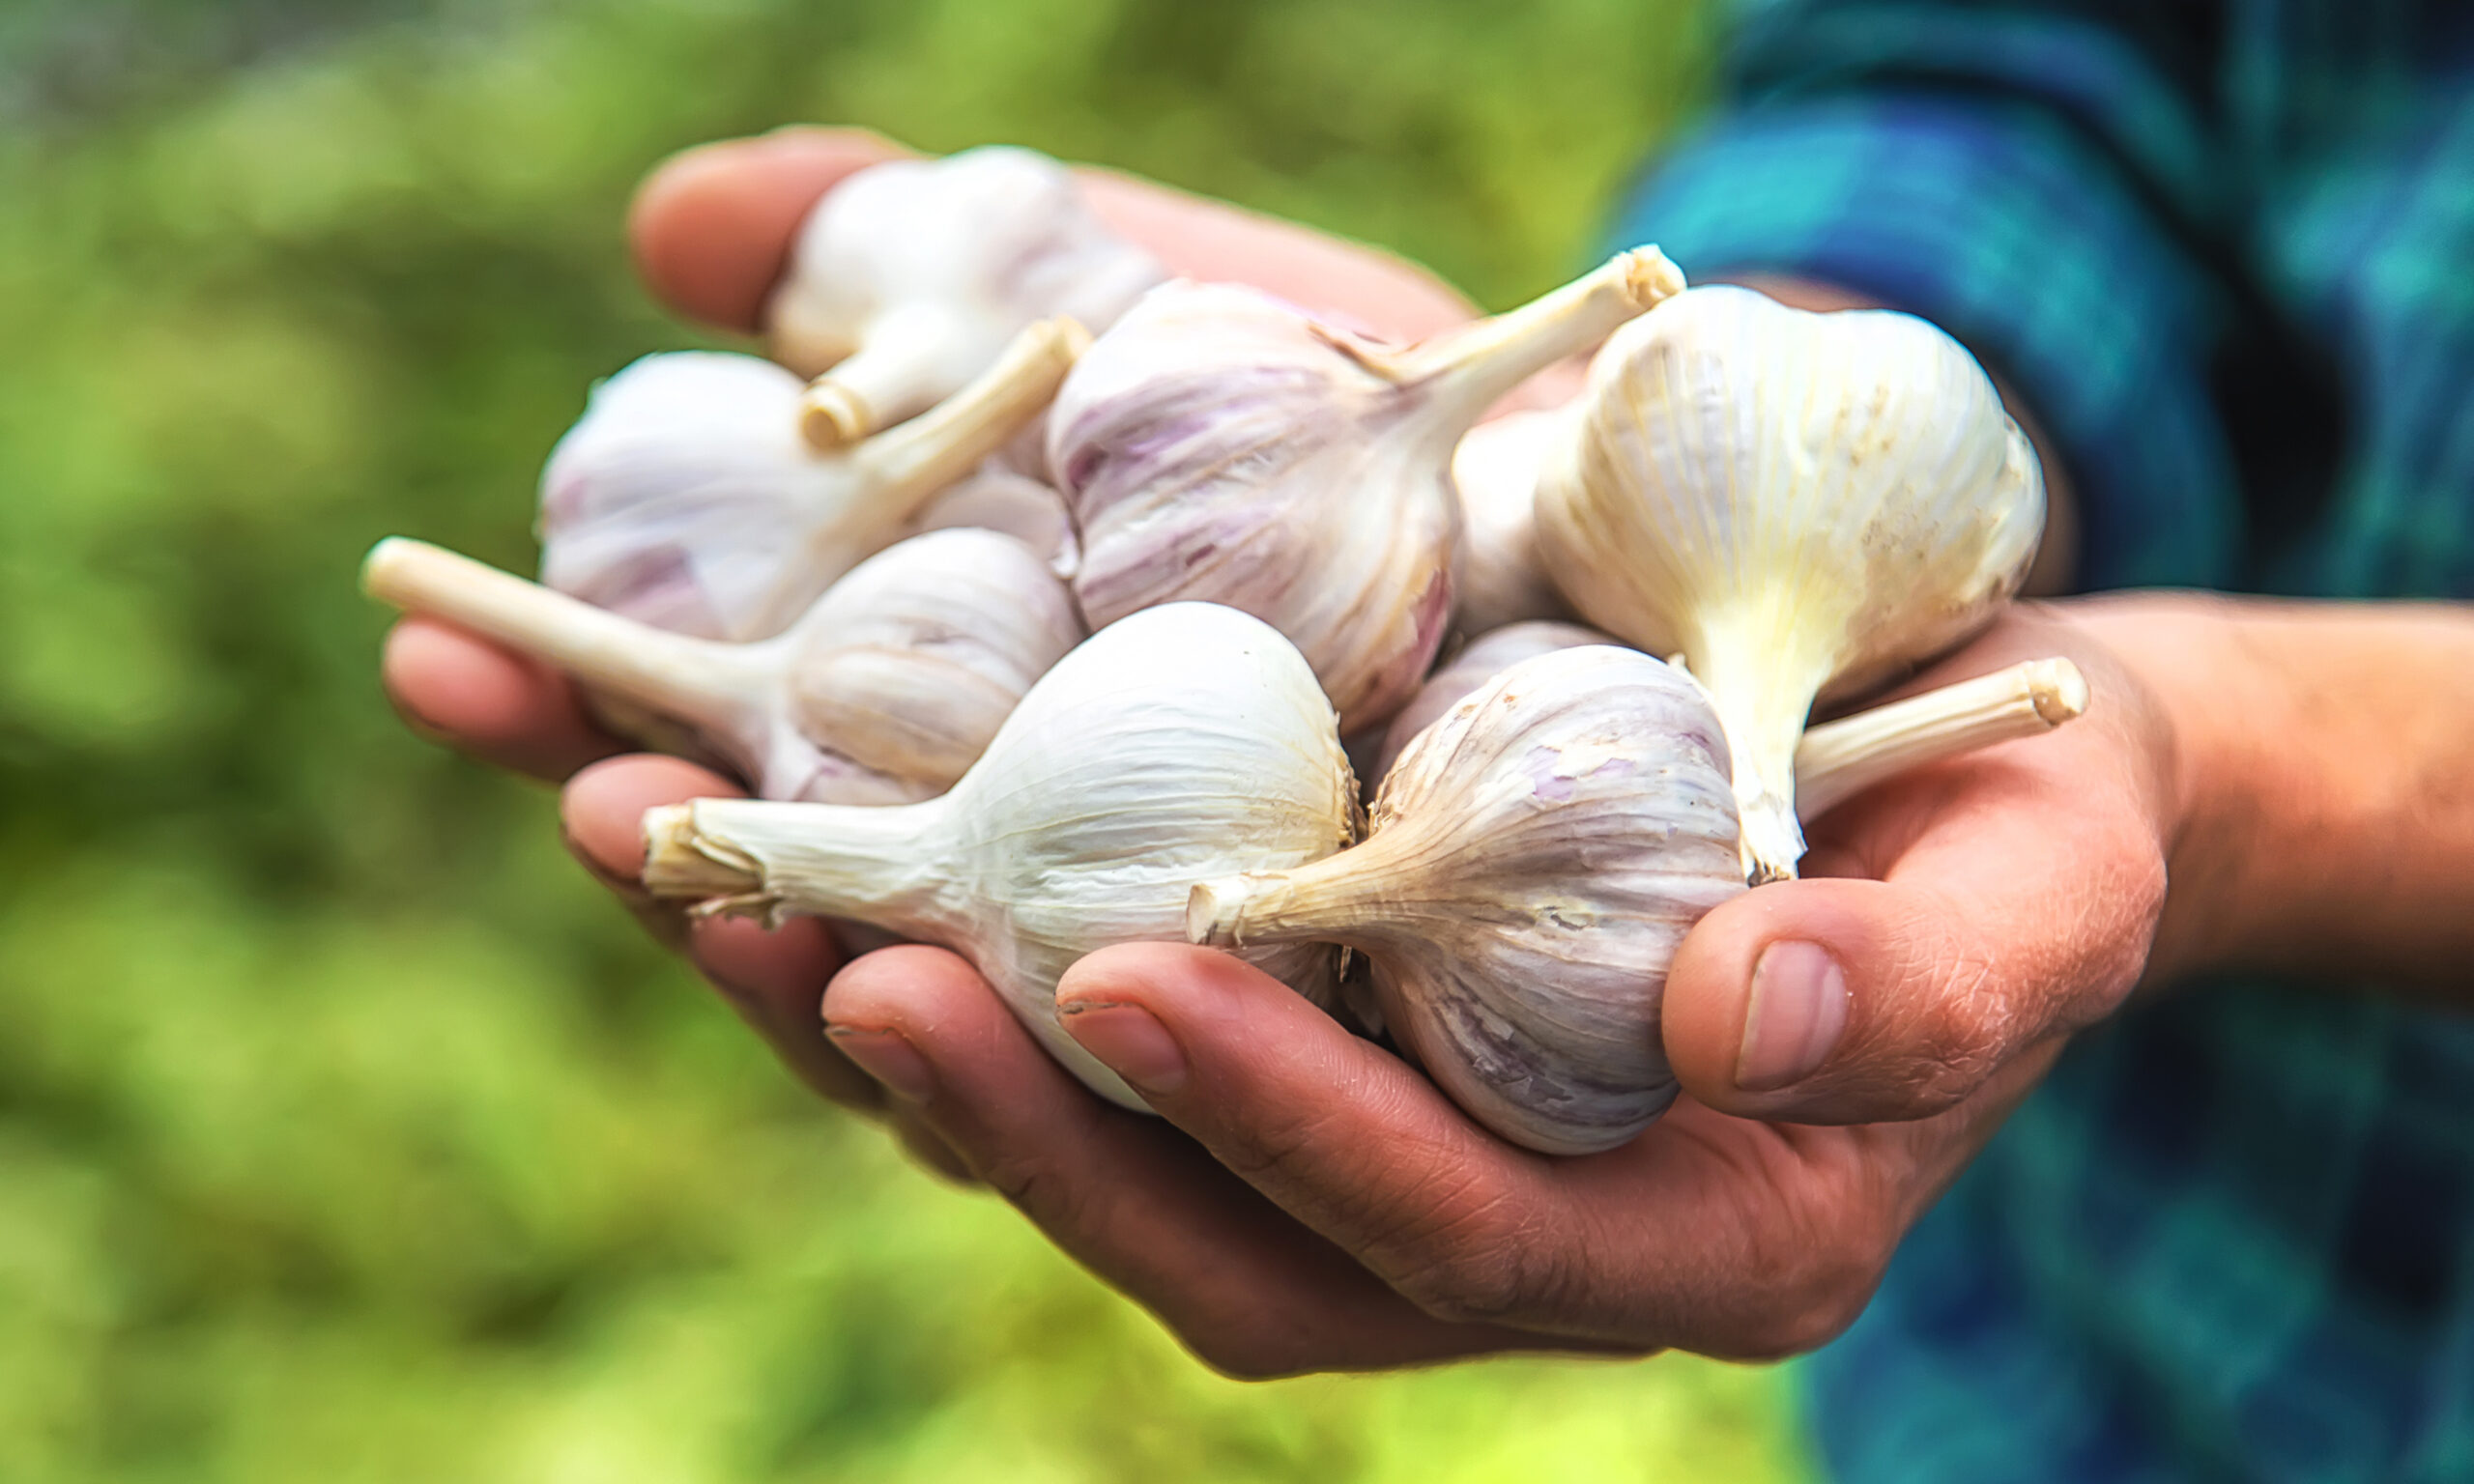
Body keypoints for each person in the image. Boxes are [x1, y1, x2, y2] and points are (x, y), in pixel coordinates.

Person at [381, 6, 2474, 1477]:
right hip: (2077, 1383)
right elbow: (2007, 66)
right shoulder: (1364, 551)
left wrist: (2262, 777)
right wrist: (1790, 385)